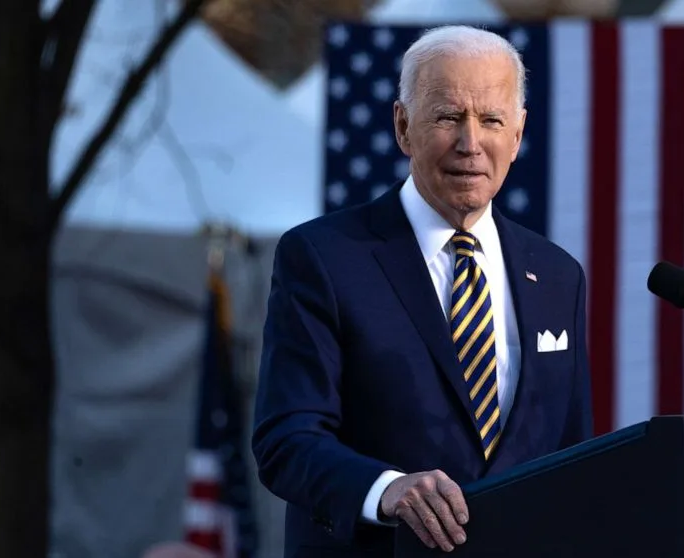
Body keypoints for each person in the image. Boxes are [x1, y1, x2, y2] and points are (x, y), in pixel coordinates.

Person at [252, 24, 592, 558]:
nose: (470, 143)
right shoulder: (323, 257)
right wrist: (386, 489)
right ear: (403, 126)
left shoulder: (557, 275)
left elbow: (575, 460)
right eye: (449, 116)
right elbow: (286, 440)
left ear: (519, 134)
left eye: (492, 120)